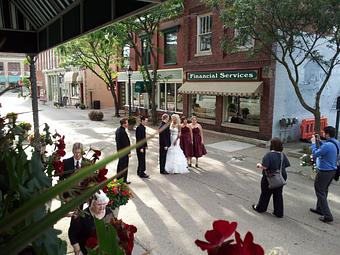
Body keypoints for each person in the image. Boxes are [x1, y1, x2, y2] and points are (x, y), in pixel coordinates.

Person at [252, 137, 290, 218]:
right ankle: (278, 212)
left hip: (270, 178)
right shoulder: (283, 155)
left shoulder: (269, 155)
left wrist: (259, 165)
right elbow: (286, 165)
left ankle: (261, 208)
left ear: (272, 145)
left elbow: (265, 167)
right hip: (281, 177)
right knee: (278, 195)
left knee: (265, 193)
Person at [68, 190, 114, 255]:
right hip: (86, 250)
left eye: (104, 204)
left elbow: (113, 228)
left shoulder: (109, 212)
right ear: (91, 203)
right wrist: (77, 250)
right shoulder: (82, 216)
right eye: (99, 204)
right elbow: (72, 234)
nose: (102, 207)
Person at [310, 126, 340, 223]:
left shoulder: (327, 146)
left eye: (324, 133)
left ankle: (327, 215)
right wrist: (319, 141)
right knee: (324, 190)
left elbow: (315, 154)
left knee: (319, 191)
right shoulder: (336, 142)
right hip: (332, 171)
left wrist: (314, 143)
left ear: (327, 134)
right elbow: (325, 148)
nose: (323, 134)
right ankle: (319, 209)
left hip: (324, 171)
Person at [116, 117, 131, 184]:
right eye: (127, 122)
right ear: (124, 124)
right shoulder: (122, 132)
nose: (128, 124)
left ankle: (119, 179)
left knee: (120, 166)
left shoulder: (118, 130)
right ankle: (123, 180)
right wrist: (129, 152)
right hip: (124, 153)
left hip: (120, 151)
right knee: (124, 167)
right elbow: (125, 144)